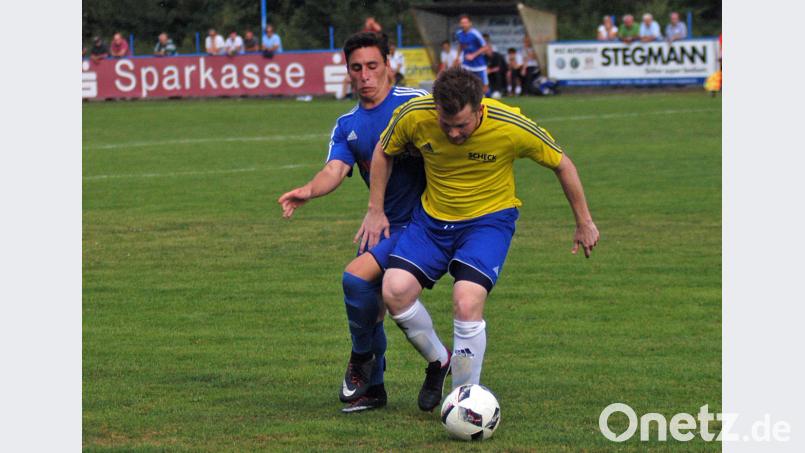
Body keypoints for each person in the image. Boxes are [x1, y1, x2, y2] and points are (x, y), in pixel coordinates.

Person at [356, 67, 599, 412]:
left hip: (488, 222)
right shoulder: (415, 115)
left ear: (480, 108)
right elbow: (383, 151)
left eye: (463, 125)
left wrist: (584, 222)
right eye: (446, 124)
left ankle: (464, 402)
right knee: (394, 290)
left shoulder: (510, 124)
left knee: (466, 300)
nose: (454, 133)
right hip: (432, 222)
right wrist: (374, 209)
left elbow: (563, 164)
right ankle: (440, 361)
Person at [277, 32, 429, 413]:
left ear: (388, 65)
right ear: (347, 71)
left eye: (373, 66)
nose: (365, 75)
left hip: (423, 223)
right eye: (356, 68)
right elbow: (335, 168)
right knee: (369, 308)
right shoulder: (347, 124)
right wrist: (309, 191)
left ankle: (362, 359)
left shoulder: (416, 105)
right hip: (382, 225)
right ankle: (373, 390)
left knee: (355, 279)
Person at [455, 14, 489, 93]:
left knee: (484, 85)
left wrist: (473, 55)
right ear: (460, 24)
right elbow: (460, 45)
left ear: (470, 23)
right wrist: (457, 57)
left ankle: (485, 99)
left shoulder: (475, 34)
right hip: (466, 63)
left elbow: (485, 47)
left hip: (478, 64)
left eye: (466, 22)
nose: (464, 25)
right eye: (462, 23)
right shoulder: (459, 34)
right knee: (464, 82)